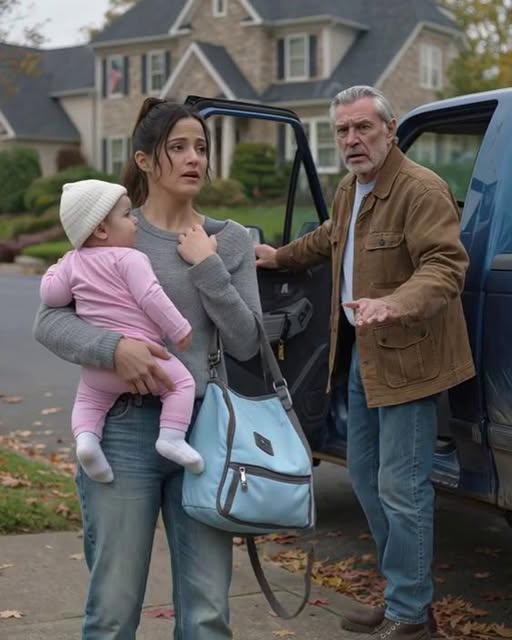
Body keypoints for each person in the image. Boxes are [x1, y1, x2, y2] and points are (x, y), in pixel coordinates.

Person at [33, 98, 261, 639]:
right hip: (122, 431)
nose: (194, 158)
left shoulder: (230, 239)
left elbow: (247, 341)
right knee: (112, 610)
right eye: (177, 148)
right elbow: (48, 321)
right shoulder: (110, 231)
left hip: (202, 431)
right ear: (143, 160)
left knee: (207, 612)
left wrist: (208, 266)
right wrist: (114, 349)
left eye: (201, 147)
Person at [255, 85, 475, 640]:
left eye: (363, 127)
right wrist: (278, 257)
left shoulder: (420, 189)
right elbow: (332, 238)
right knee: (365, 478)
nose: (352, 139)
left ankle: (409, 614)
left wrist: (394, 303)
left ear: (389, 129)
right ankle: (406, 596)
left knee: (402, 487)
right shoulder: (351, 188)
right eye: (343, 131)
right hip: (364, 356)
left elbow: (446, 266)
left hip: (411, 359)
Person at [39, 179, 202, 483]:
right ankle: (171, 437)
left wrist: (55, 268)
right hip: (147, 360)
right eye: (127, 215)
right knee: (182, 385)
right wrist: (179, 329)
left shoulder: (72, 262)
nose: (135, 221)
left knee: (88, 403)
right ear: (102, 230)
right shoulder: (131, 258)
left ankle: (87, 442)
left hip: (99, 369)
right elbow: (151, 297)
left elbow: (52, 296)